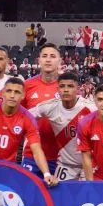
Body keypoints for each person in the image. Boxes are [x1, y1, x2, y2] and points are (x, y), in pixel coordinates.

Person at [28, 72, 96, 182]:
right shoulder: (50, 107)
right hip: (65, 165)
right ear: (57, 89)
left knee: (88, 198)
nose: (65, 90)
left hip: (90, 164)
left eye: (70, 86)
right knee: (59, 196)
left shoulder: (91, 108)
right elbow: (24, 116)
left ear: (78, 89)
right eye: (62, 86)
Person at [22, 43, 64, 175]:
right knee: (29, 193)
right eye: (44, 56)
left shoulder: (67, 86)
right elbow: (18, 115)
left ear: (59, 61)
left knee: (56, 195)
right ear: (38, 60)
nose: (48, 59)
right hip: (31, 153)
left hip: (60, 155)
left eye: (52, 56)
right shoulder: (27, 85)